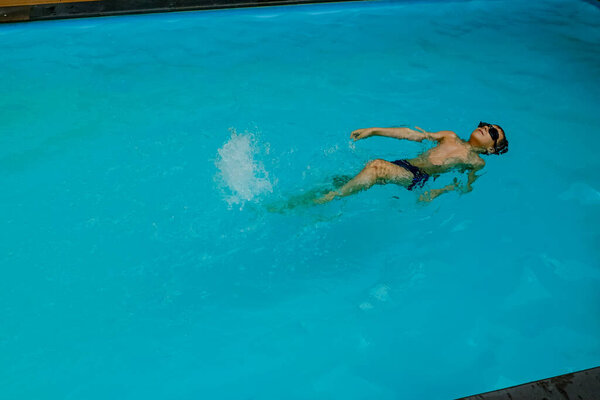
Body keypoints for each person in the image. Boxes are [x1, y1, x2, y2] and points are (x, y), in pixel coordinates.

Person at [316, 122, 508, 203]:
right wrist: (374, 130)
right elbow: (412, 134)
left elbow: (464, 188)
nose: (486, 128)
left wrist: (438, 191)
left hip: (416, 177)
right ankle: (323, 193)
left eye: (492, 132)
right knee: (344, 179)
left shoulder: (476, 162)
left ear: (491, 149)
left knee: (376, 167)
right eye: (486, 124)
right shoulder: (450, 136)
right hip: (403, 164)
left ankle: (331, 198)